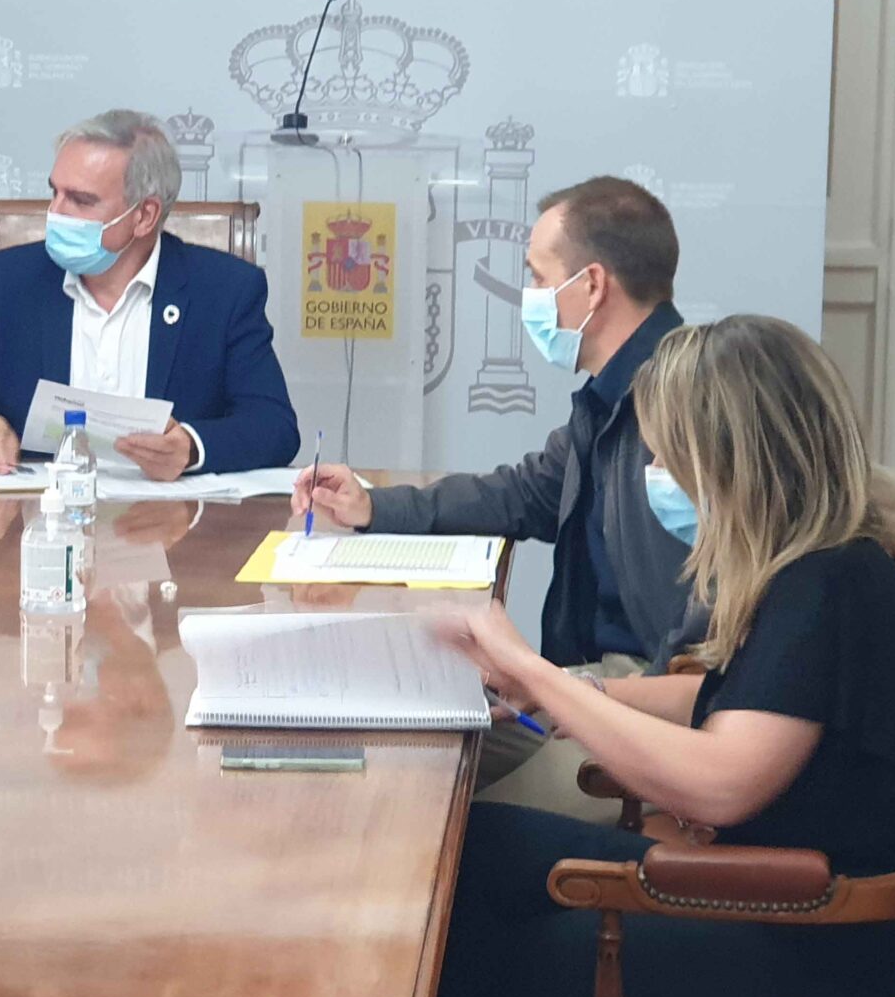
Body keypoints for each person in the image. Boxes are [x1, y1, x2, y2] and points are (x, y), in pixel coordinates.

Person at [404, 315, 895, 997]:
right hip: (767, 900)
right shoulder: (820, 565)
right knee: (475, 849)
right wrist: (569, 691)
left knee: (461, 960)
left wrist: (540, 678)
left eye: (670, 458)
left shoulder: (830, 587)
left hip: (805, 952)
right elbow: (725, 703)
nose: (658, 475)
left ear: (735, 461)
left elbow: (720, 780)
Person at [294, 177, 699, 704]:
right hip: (585, 682)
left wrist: (554, 690)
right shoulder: (613, 391)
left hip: (640, 695)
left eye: (539, 277)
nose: (530, 296)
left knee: (399, 721)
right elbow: (525, 493)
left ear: (593, 285)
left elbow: (700, 663)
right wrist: (373, 506)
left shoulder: (687, 403)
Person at [0, 109, 299, 479]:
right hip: (39, 515)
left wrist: (190, 449)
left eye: (80, 200)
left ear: (144, 215)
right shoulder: (10, 282)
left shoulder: (224, 291)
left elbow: (273, 426)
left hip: (169, 519)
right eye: (55, 193)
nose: (56, 213)